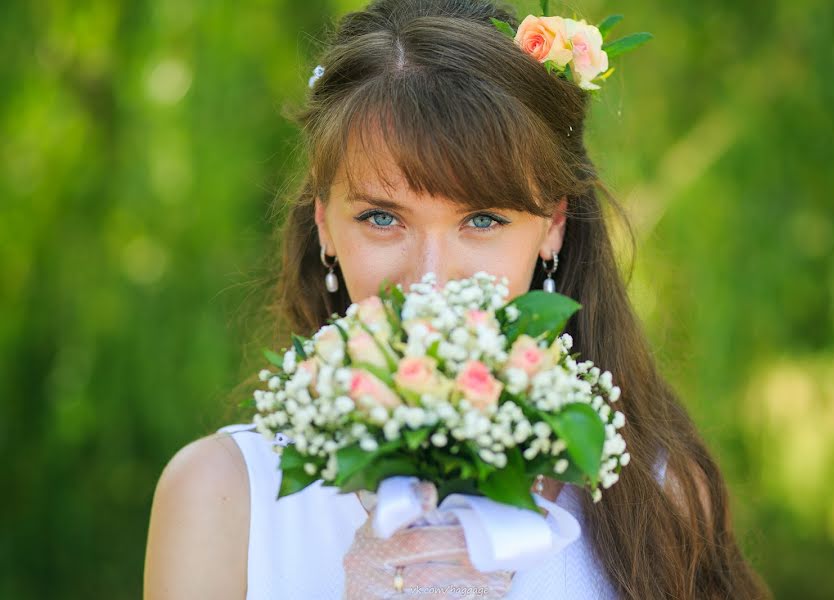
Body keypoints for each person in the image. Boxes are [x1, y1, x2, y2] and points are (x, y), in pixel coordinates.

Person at [144, 0, 771, 598]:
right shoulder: (221, 497)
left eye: (484, 219)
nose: (431, 280)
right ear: (325, 225)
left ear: (552, 225)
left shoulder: (657, 500)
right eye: (382, 219)